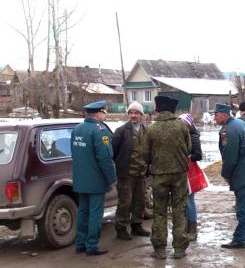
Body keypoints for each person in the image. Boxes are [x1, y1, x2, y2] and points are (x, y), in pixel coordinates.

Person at [143, 96, 191, 259]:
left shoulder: (151, 128)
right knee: (179, 210)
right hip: (179, 175)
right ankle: (179, 249)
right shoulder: (182, 126)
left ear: (158, 109)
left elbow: (145, 154)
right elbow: (189, 147)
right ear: (172, 109)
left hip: (159, 176)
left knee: (160, 211)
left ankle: (160, 249)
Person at [213, 103, 245, 249]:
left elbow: (230, 158)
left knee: (243, 207)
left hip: (244, 172)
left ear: (224, 114)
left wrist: (226, 175)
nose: (214, 118)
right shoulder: (240, 123)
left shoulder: (228, 131)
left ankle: (239, 239)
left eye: (216, 115)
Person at [71, 100, 117, 256]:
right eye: (104, 113)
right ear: (98, 114)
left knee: (83, 211)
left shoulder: (77, 129)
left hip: (80, 179)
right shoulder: (100, 130)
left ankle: (80, 243)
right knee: (95, 213)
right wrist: (112, 178)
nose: (104, 116)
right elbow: (105, 158)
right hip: (96, 180)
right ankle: (92, 245)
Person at [112, 101, 150, 240]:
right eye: (131, 113)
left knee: (140, 201)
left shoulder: (146, 130)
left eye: (136, 113)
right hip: (126, 174)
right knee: (125, 202)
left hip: (141, 173)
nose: (133, 115)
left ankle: (136, 226)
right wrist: (120, 165)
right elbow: (113, 152)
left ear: (141, 115)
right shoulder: (121, 131)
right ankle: (121, 228)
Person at [178, 113, 202, 241]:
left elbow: (198, 155)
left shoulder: (192, 136)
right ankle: (187, 227)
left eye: (182, 122)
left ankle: (192, 229)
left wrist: (187, 157)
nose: (180, 125)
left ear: (188, 124)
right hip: (182, 171)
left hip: (189, 172)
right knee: (184, 201)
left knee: (189, 200)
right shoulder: (183, 134)